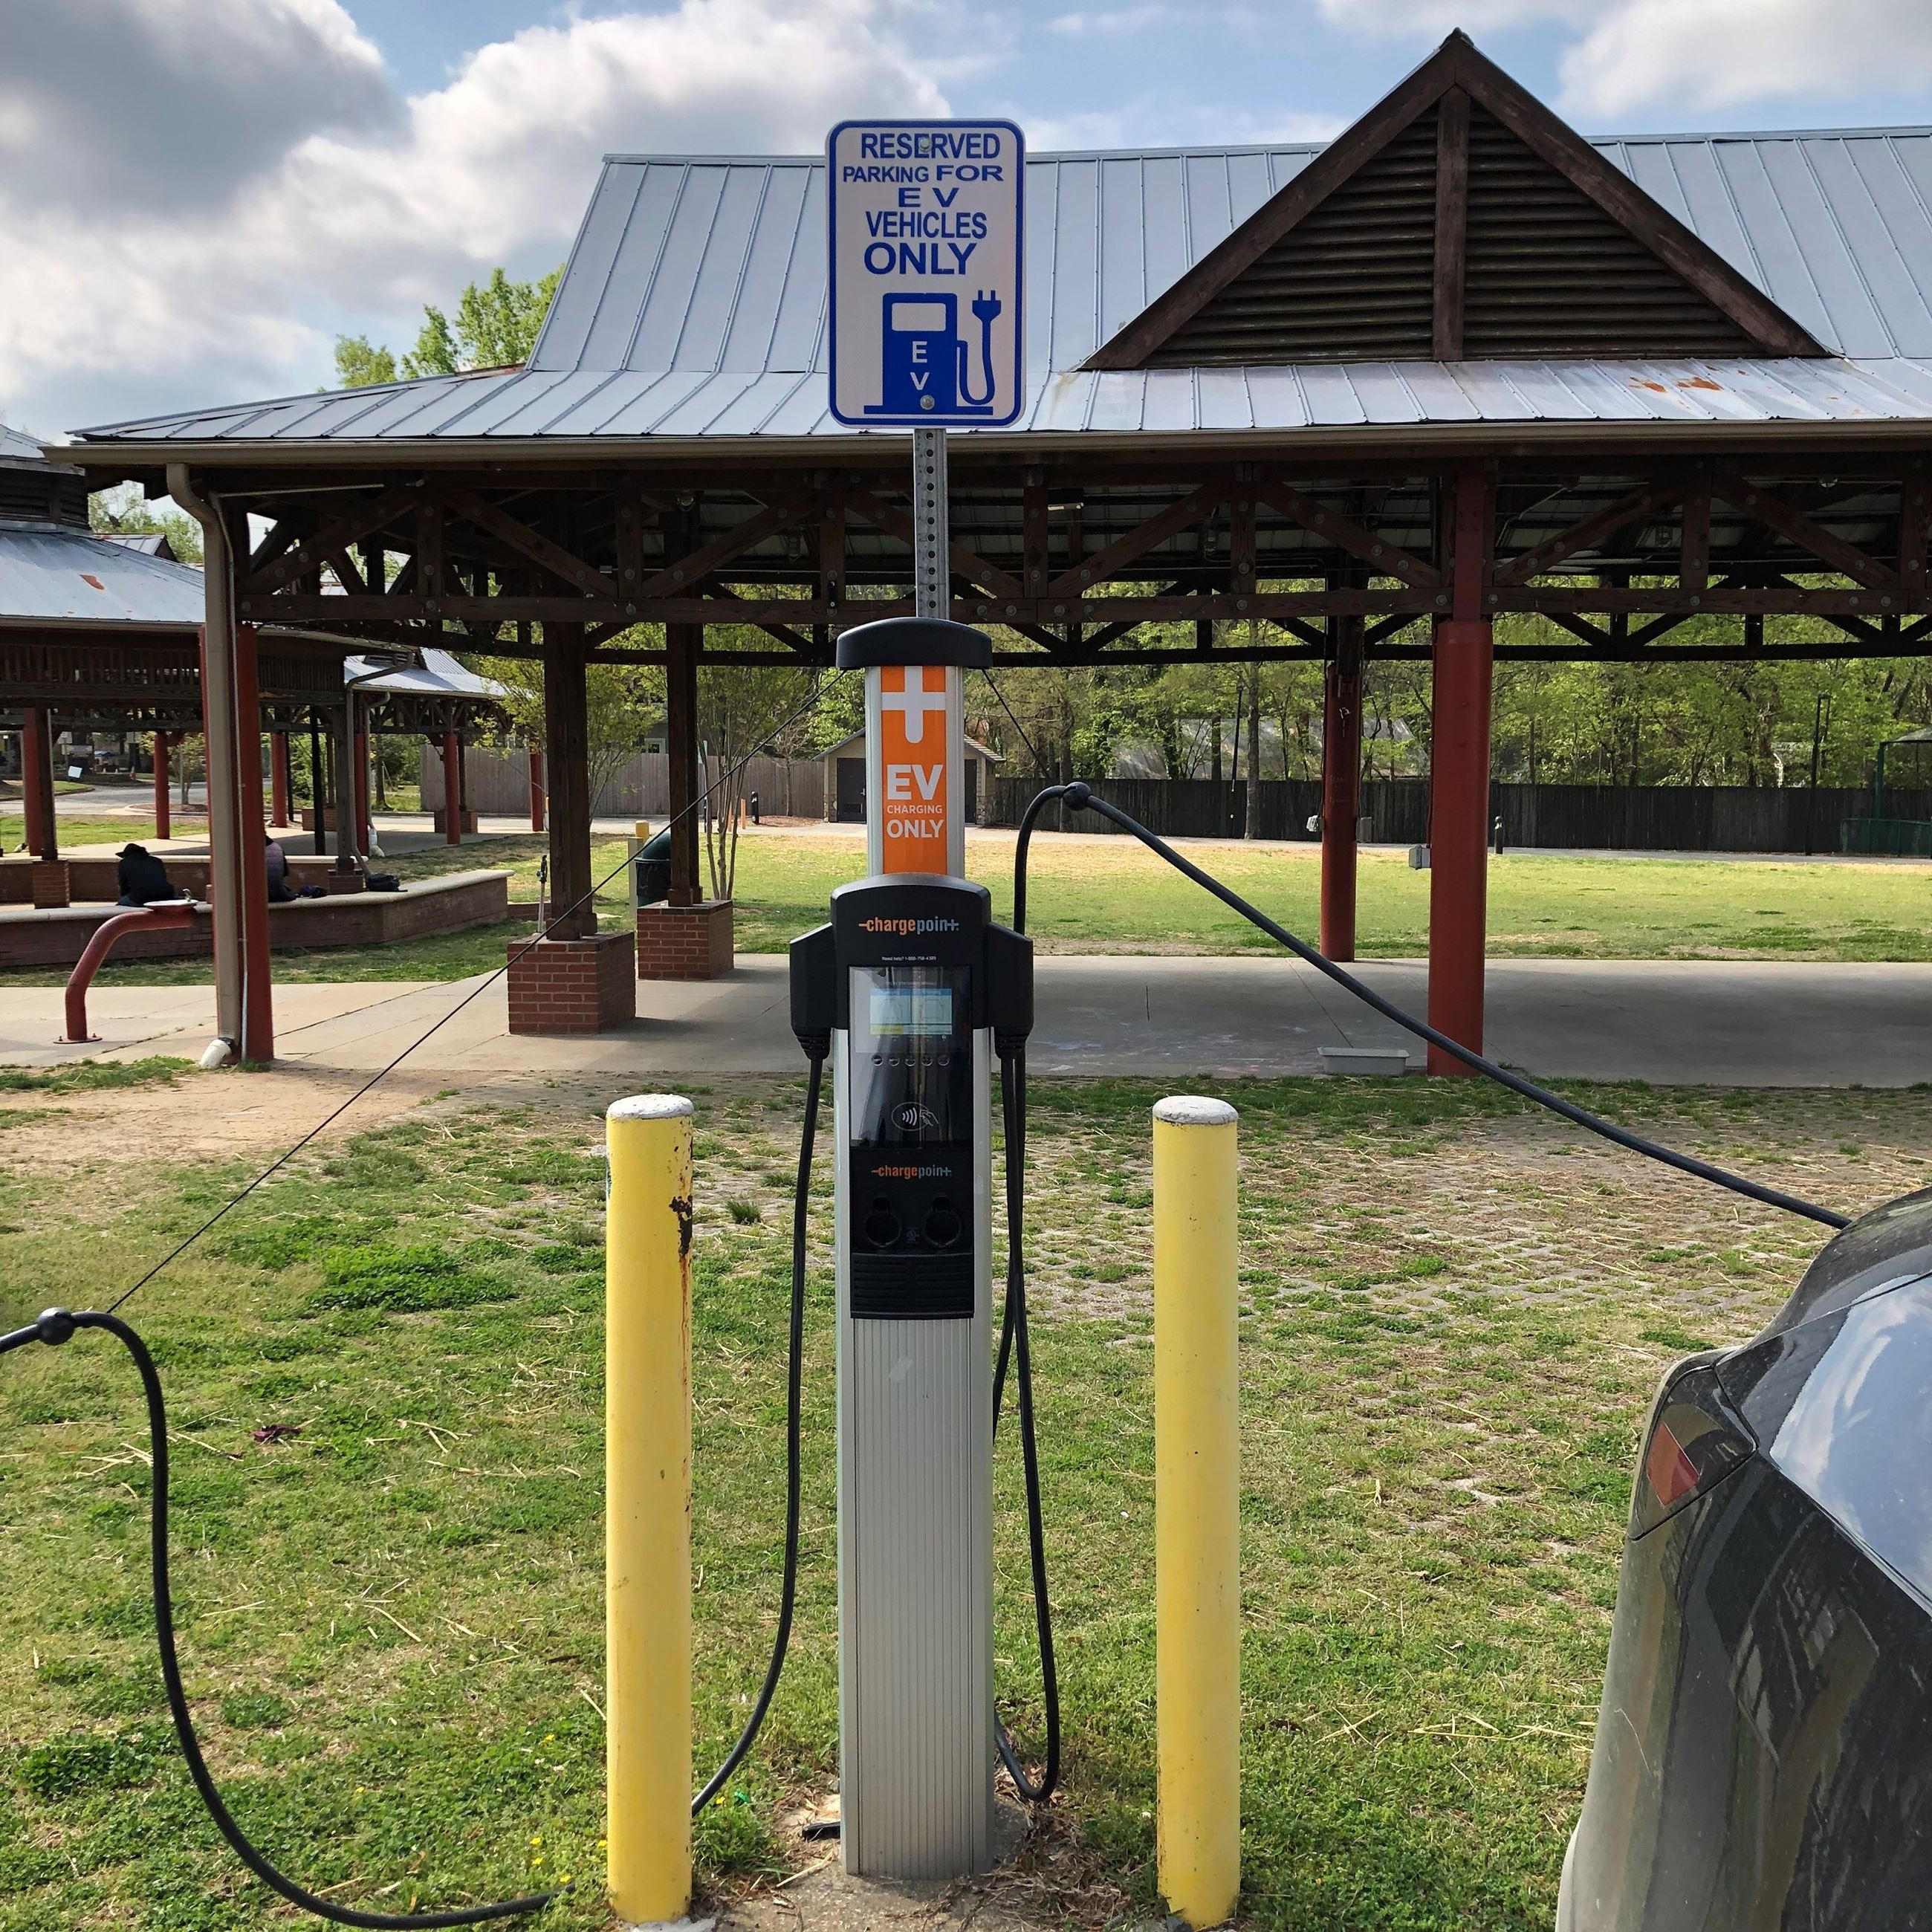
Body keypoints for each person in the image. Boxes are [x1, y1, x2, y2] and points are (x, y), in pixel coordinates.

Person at [115, 843, 174, 907]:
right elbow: (162, 880)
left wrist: (127, 896)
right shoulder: (156, 861)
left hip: (140, 898)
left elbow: (123, 885)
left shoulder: (124, 863)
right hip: (166, 896)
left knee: (122, 901)